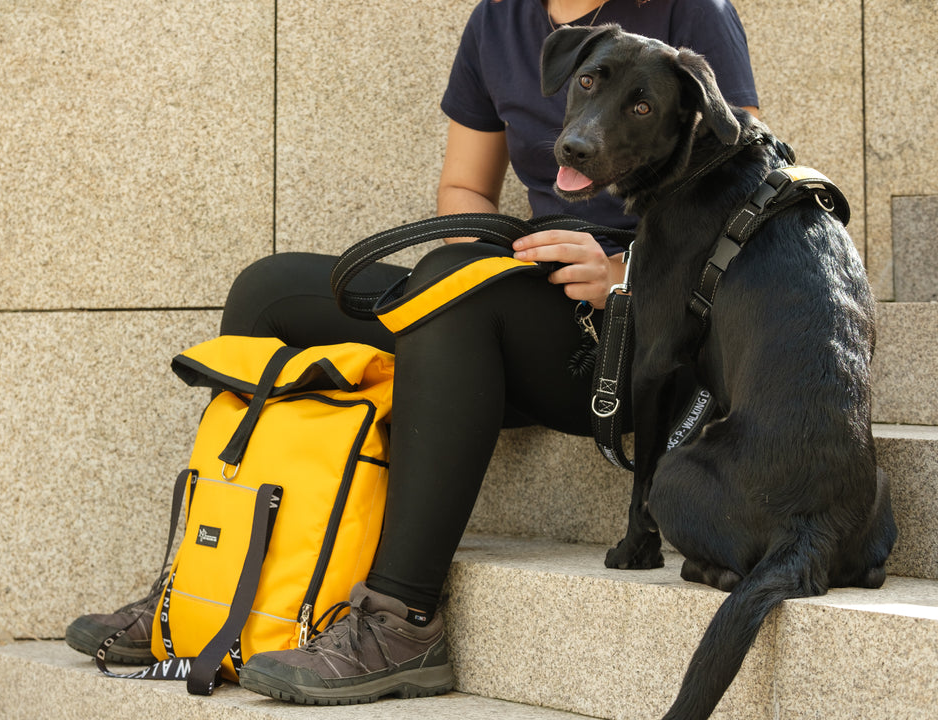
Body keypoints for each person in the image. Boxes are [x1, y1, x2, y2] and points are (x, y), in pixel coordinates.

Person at [66, 0, 760, 704]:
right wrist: (489, 259)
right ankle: (218, 583)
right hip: (527, 304)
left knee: (453, 291)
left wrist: (626, 274)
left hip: (643, 343)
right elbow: (464, 188)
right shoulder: (501, 20)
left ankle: (400, 624)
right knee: (271, 293)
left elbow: (751, 195)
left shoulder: (690, 13)